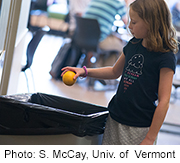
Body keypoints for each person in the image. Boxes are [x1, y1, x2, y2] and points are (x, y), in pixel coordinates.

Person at [61, 0, 178, 145]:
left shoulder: (165, 56)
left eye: (134, 22)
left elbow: (164, 102)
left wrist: (150, 138)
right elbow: (114, 71)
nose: (129, 26)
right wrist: (84, 71)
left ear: (150, 22)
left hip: (140, 126)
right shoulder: (133, 43)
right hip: (115, 117)